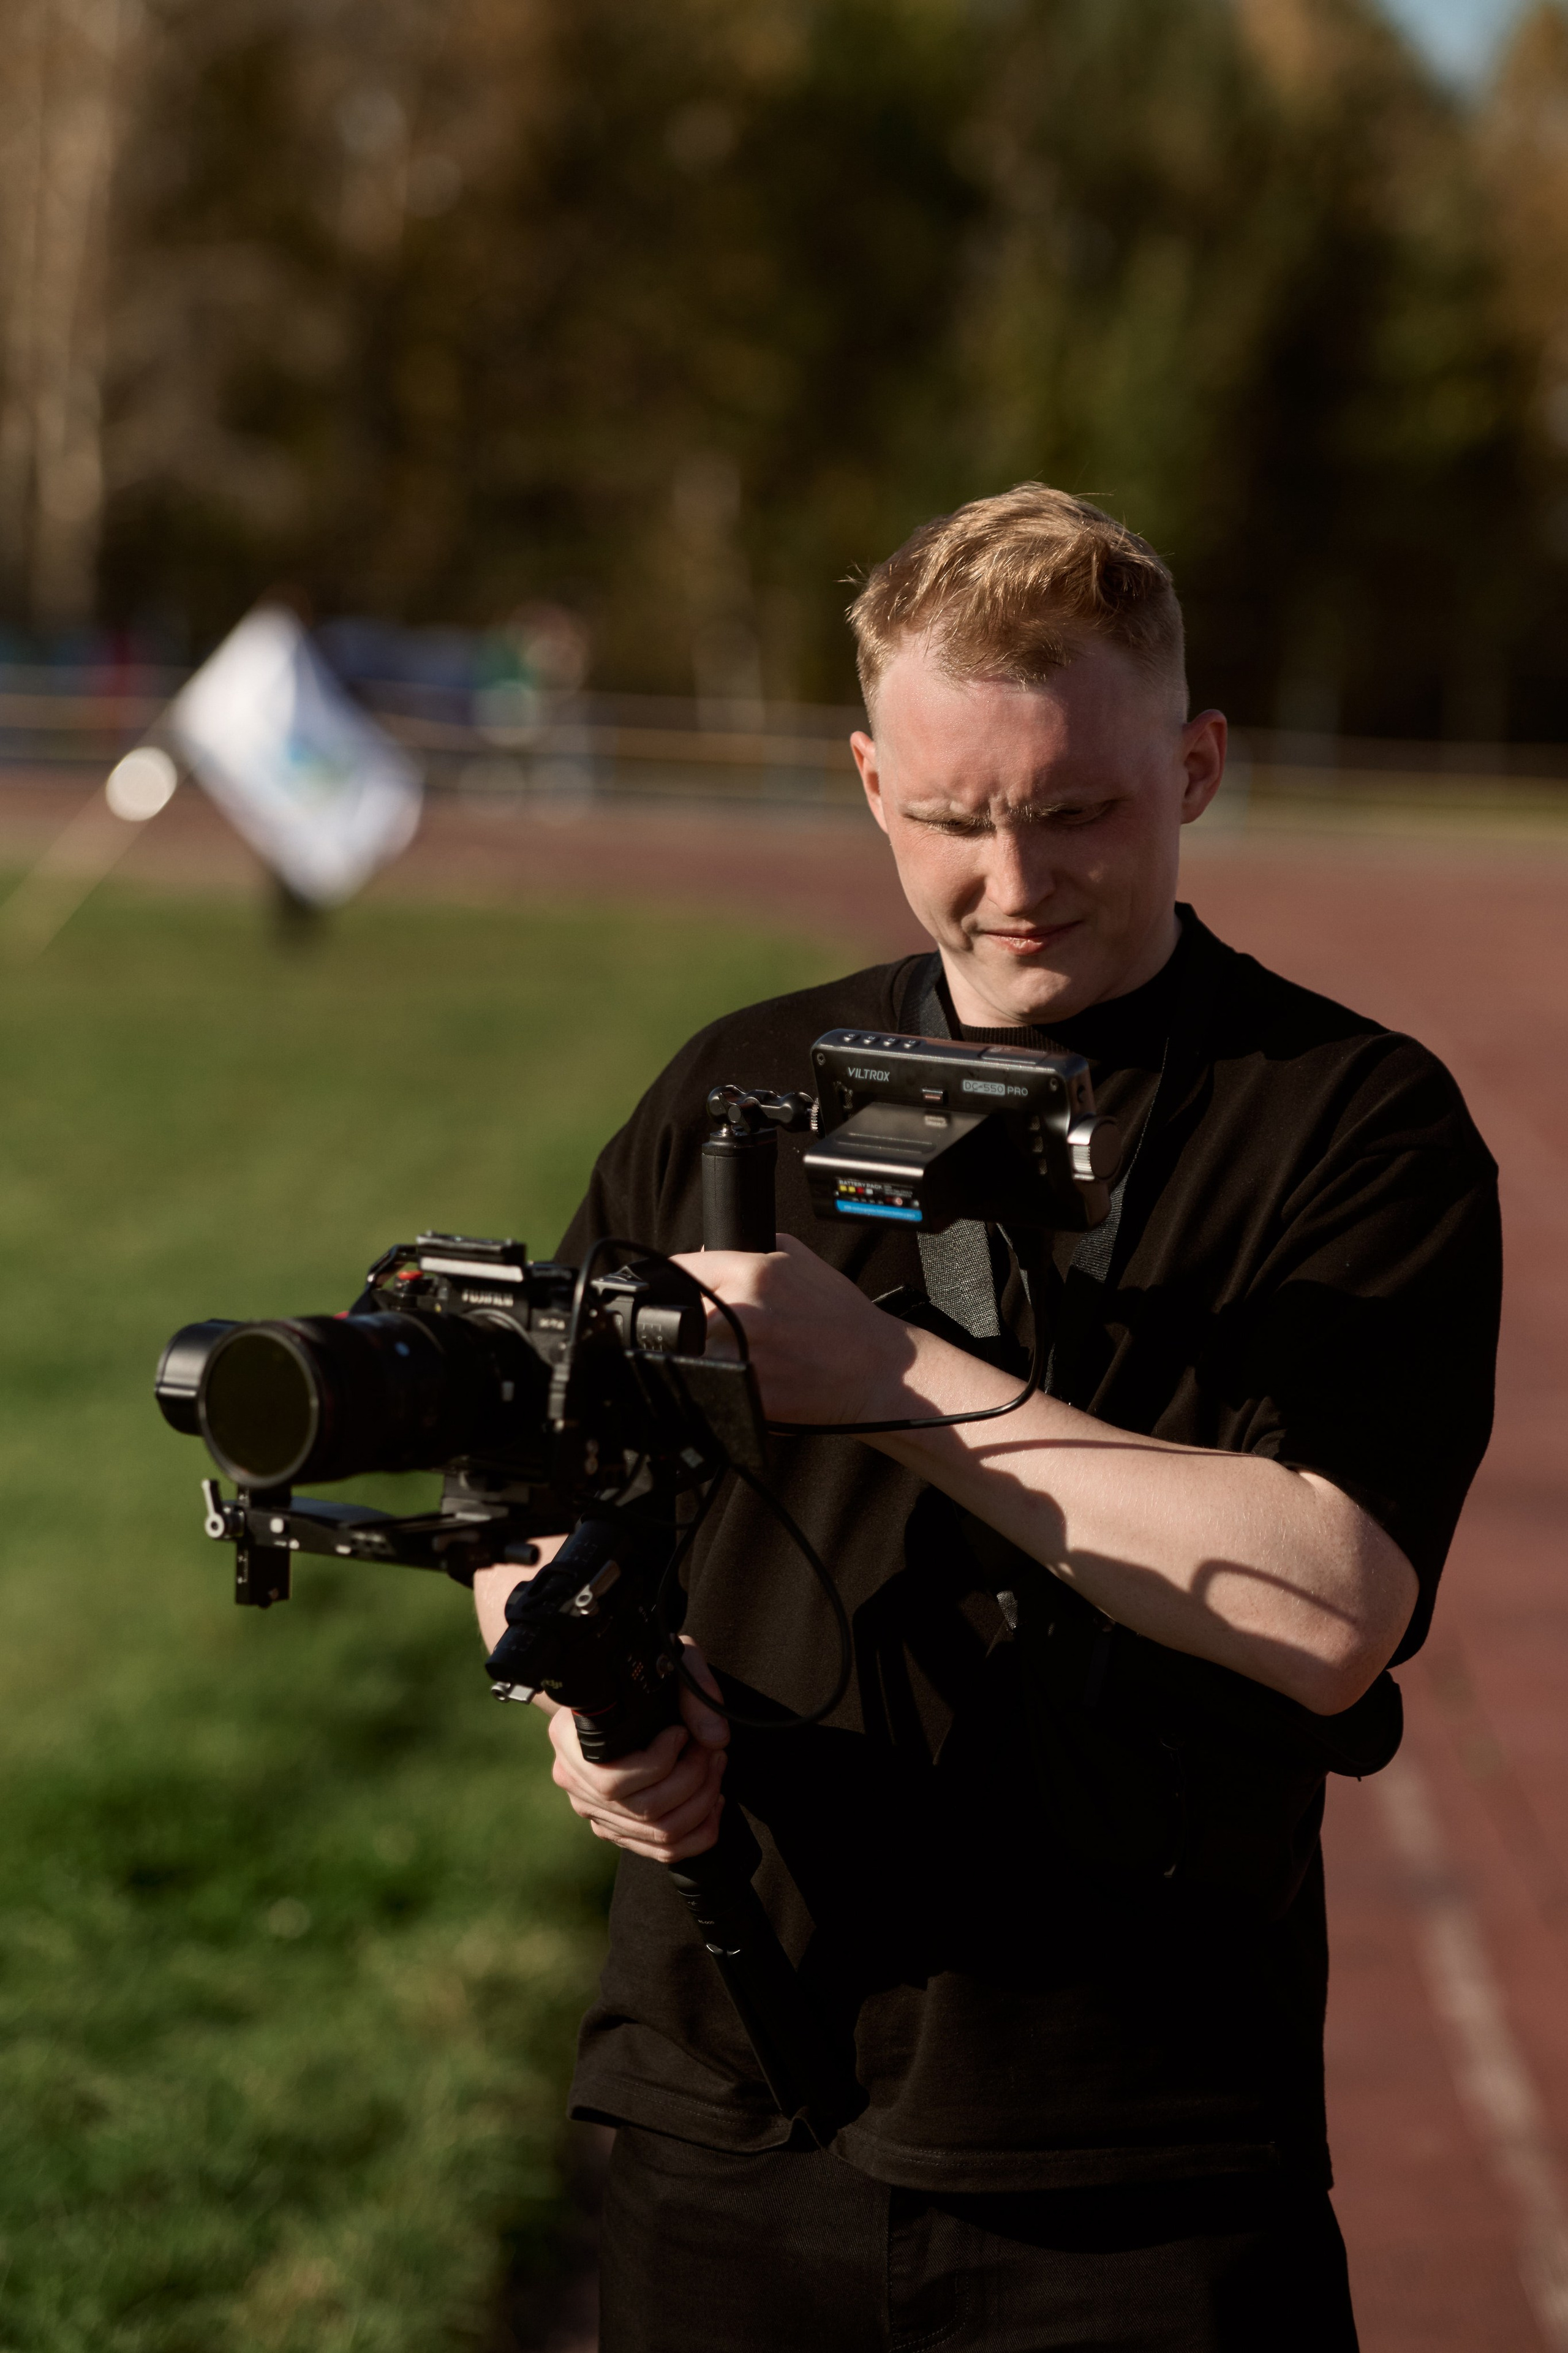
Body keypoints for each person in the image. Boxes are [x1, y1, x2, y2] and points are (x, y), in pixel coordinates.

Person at [473, 485, 1501, 2351]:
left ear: (1197, 766)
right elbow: (536, 1504)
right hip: (719, 2102)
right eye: (951, 820)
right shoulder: (733, 1087)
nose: (1012, 883)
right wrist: (585, 1709)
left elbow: (1335, 1611)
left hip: (1143, 2163)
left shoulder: (1351, 1121)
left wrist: (886, 1377)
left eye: (1076, 810)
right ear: (871, 779)